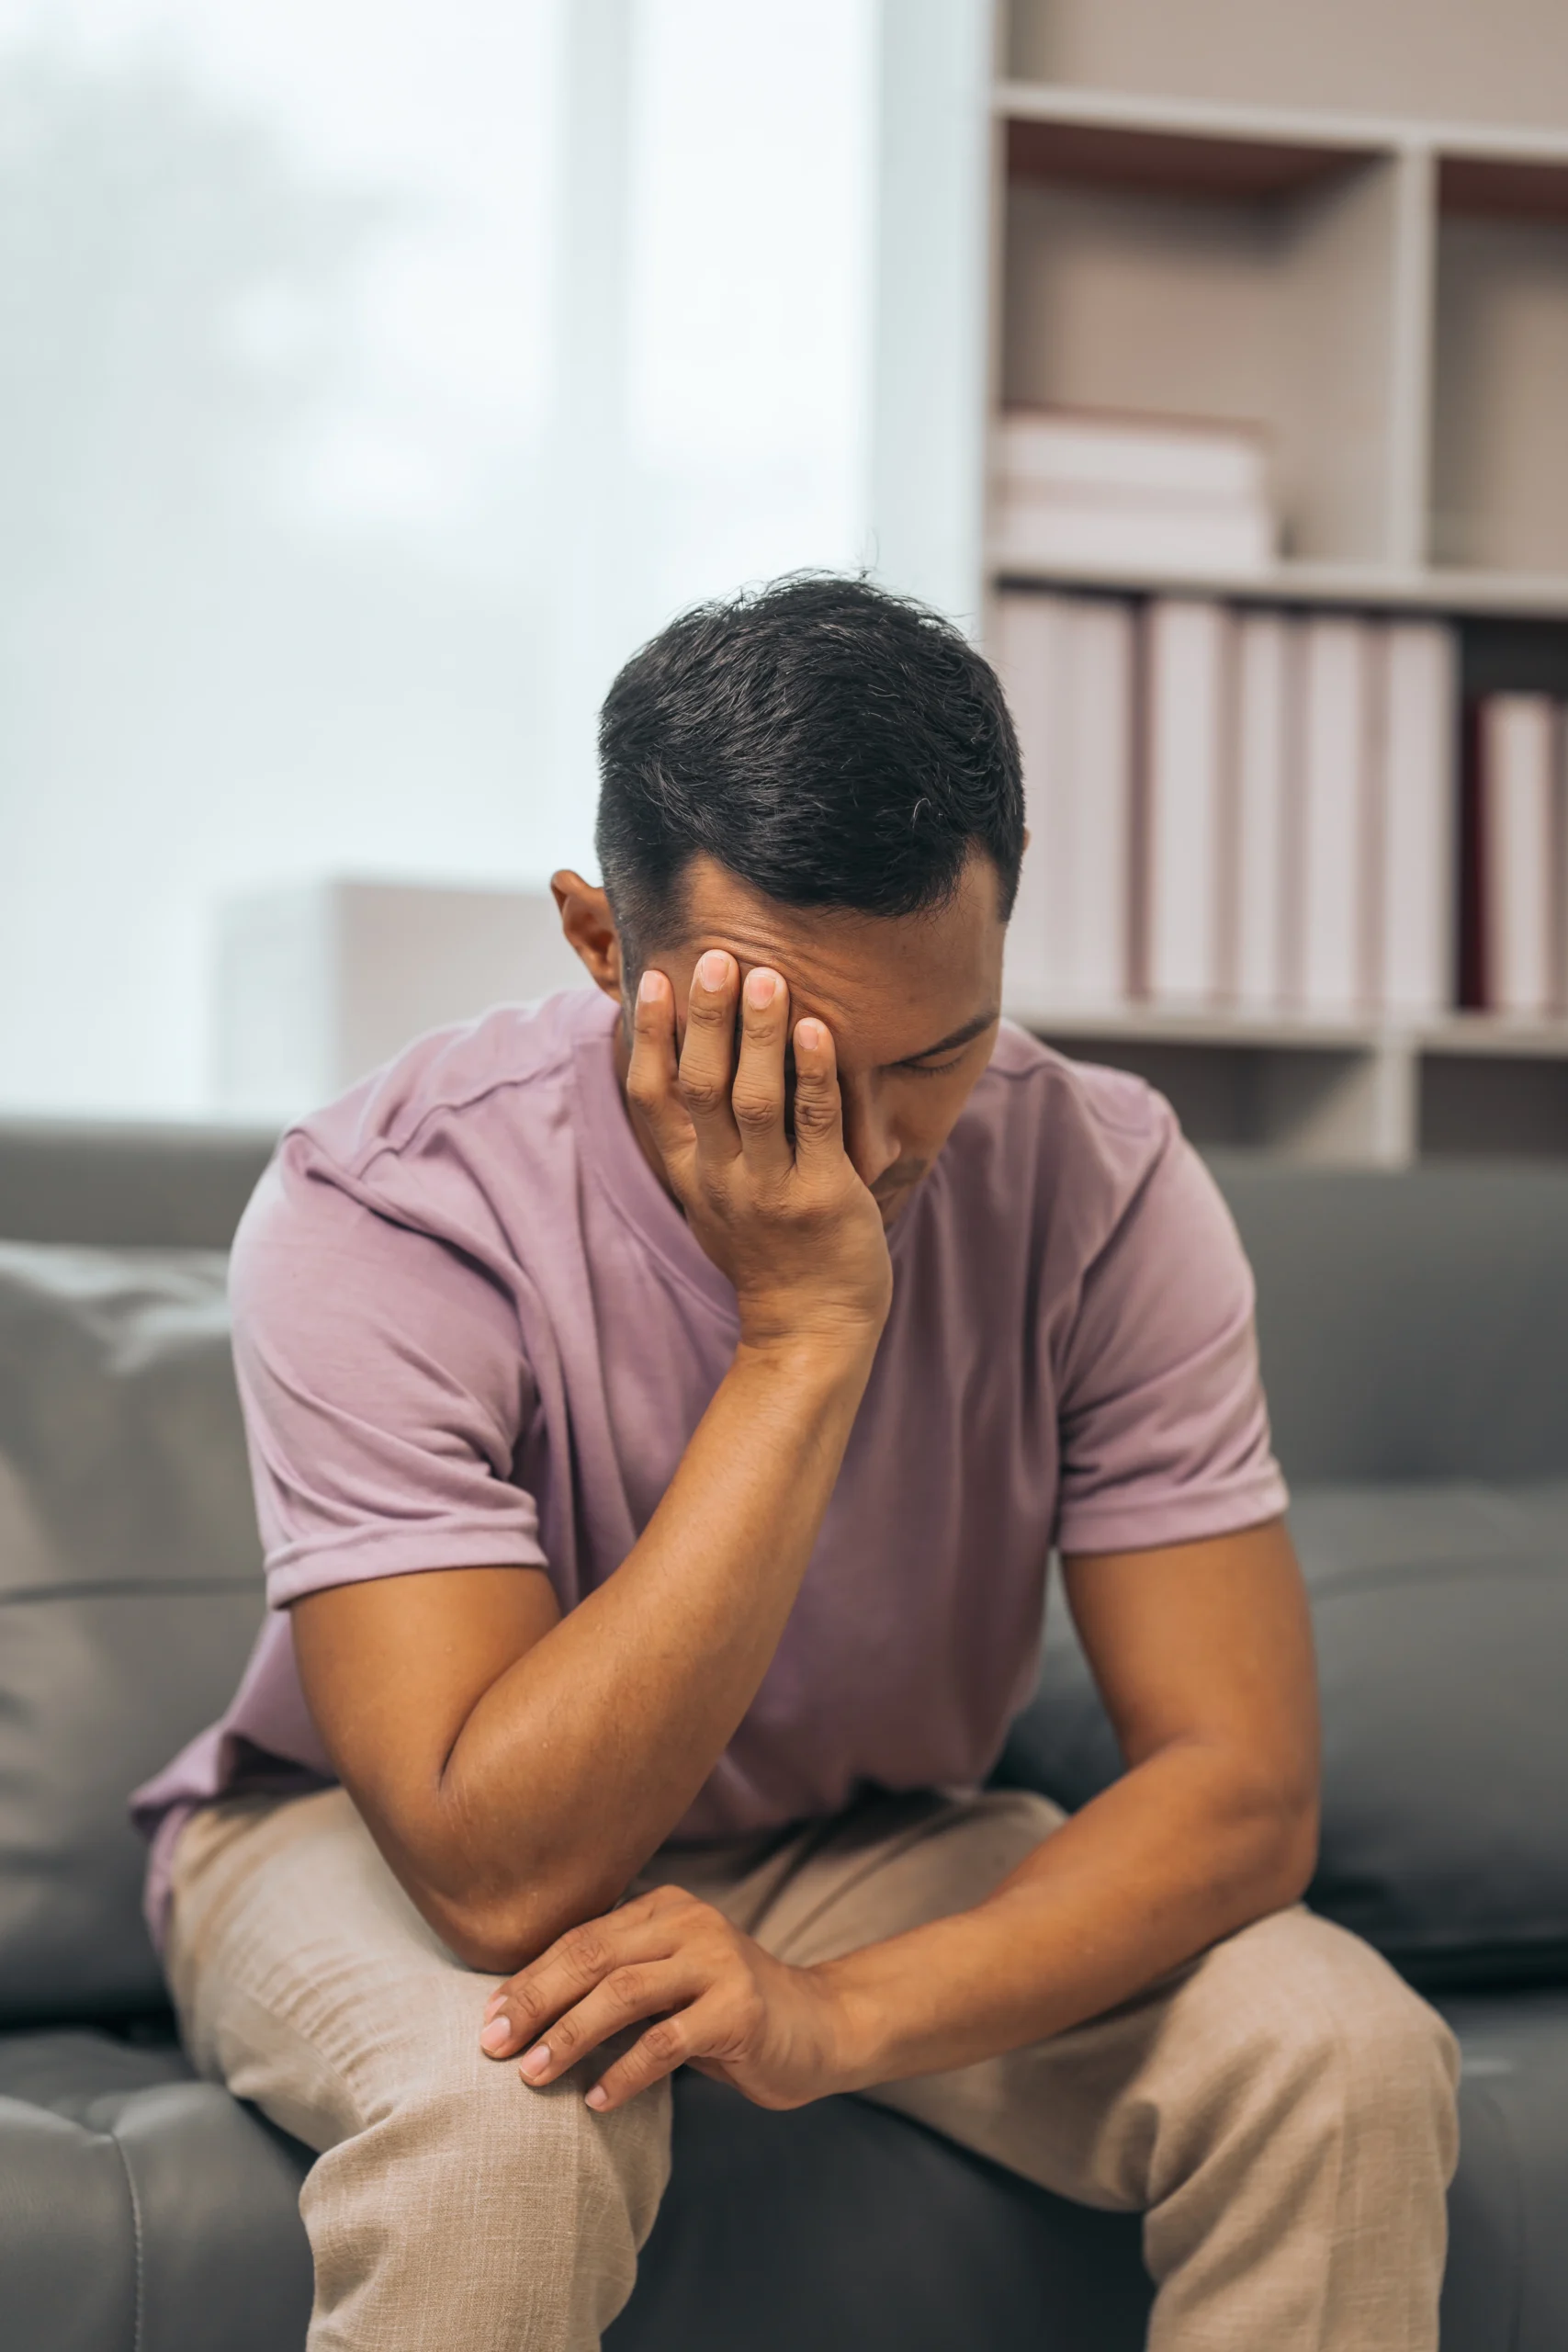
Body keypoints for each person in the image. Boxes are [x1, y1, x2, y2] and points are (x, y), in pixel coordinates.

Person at [135, 573, 1458, 2352]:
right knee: (498, 2129)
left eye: (946, 1049)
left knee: (1342, 2049)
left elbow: (1238, 1789)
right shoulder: (380, 1202)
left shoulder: (1103, 1176)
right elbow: (496, 1871)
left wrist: (825, 2009)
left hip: (861, 1835)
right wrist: (804, 1333)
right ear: (604, 943)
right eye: (800, 1057)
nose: (890, 1138)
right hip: (363, 1830)